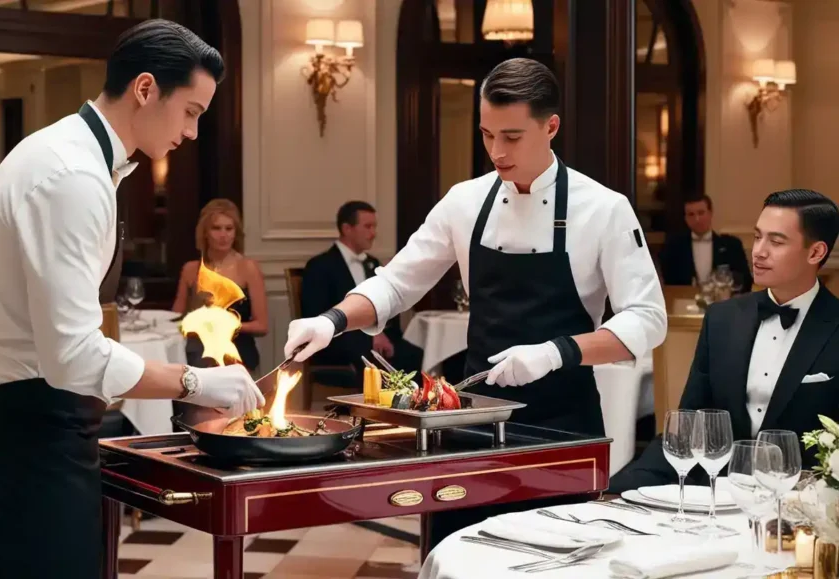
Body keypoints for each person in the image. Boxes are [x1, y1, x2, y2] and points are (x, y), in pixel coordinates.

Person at [283, 57, 667, 551]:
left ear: (551, 126)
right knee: (458, 554)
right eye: (487, 135)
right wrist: (331, 320)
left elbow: (647, 319)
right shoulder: (465, 201)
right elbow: (398, 283)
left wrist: (554, 353)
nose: (496, 152)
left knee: (553, 562)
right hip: (472, 421)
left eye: (511, 137)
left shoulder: (603, 208)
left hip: (562, 427)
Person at [0, 20, 264, 579]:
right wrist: (196, 381)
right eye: (191, 111)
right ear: (145, 89)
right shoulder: (71, 174)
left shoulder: (71, 154)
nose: (192, 133)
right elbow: (73, 356)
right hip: (30, 429)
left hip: (34, 418)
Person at [611, 189, 839, 492]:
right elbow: (687, 426)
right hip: (719, 498)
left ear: (816, 252)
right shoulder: (723, 319)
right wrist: (614, 489)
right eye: (758, 237)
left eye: (776, 241)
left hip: (805, 508)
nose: (758, 251)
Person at [300, 201, 422, 386]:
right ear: (347, 228)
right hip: (338, 341)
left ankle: (407, 409)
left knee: (413, 353)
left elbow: (389, 309)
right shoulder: (320, 266)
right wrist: (370, 336)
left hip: (376, 337)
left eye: (374, 227)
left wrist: (383, 332)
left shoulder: (373, 263)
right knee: (367, 352)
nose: (373, 233)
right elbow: (315, 313)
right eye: (367, 226)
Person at [172, 198, 267, 372]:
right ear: (205, 232)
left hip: (238, 355)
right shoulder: (191, 269)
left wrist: (226, 324)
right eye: (216, 228)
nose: (223, 235)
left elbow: (262, 326)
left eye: (229, 229)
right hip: (196, 355)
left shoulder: (248, 268)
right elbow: (176, 319)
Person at [659, 195, 752, 292]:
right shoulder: (674, 247)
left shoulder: (732, 245)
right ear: (685, 218)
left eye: (701, 213)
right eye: (691, 214)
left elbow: (745, 281)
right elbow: (668, 283)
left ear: (710, 213)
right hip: (685, 302)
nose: (697, 219)